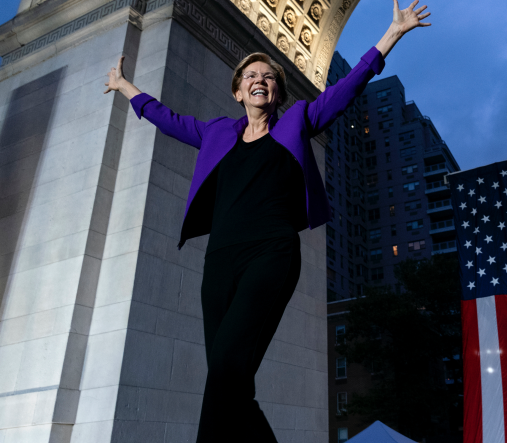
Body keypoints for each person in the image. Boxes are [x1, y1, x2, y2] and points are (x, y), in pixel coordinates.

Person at [104, 0, 431, 441]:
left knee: (226, 368)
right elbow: (168, 119)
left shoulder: (297, 121)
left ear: (277, 92)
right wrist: (125, 86)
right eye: (251, 76)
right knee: (229, 381)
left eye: (270, 77)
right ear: (238, 91)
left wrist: (391, 35)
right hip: (219, 263)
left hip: (271, 255)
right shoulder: (217, 132)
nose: (261, 80)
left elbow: (346, 89)